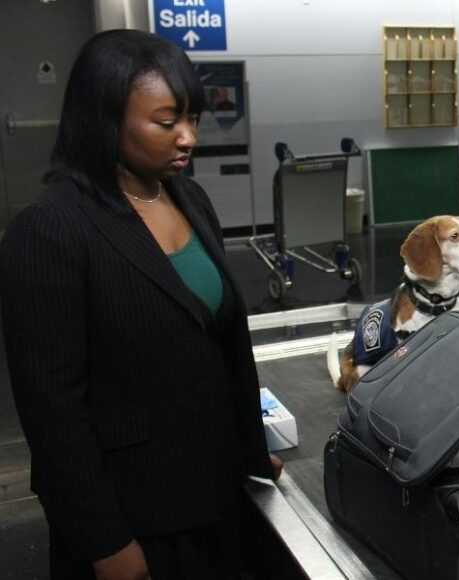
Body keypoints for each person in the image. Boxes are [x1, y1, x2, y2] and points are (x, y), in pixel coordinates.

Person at [0, 30, 280, 578]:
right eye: (166, 120)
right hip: (138, 514)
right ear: (105, 119)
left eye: (192, 119)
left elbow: (225, 348)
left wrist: (249, 452)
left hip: (216, 491)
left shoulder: (189, 198)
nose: (188, 137)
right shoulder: (50, 228)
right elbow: (51, 408)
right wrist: (104, 541)